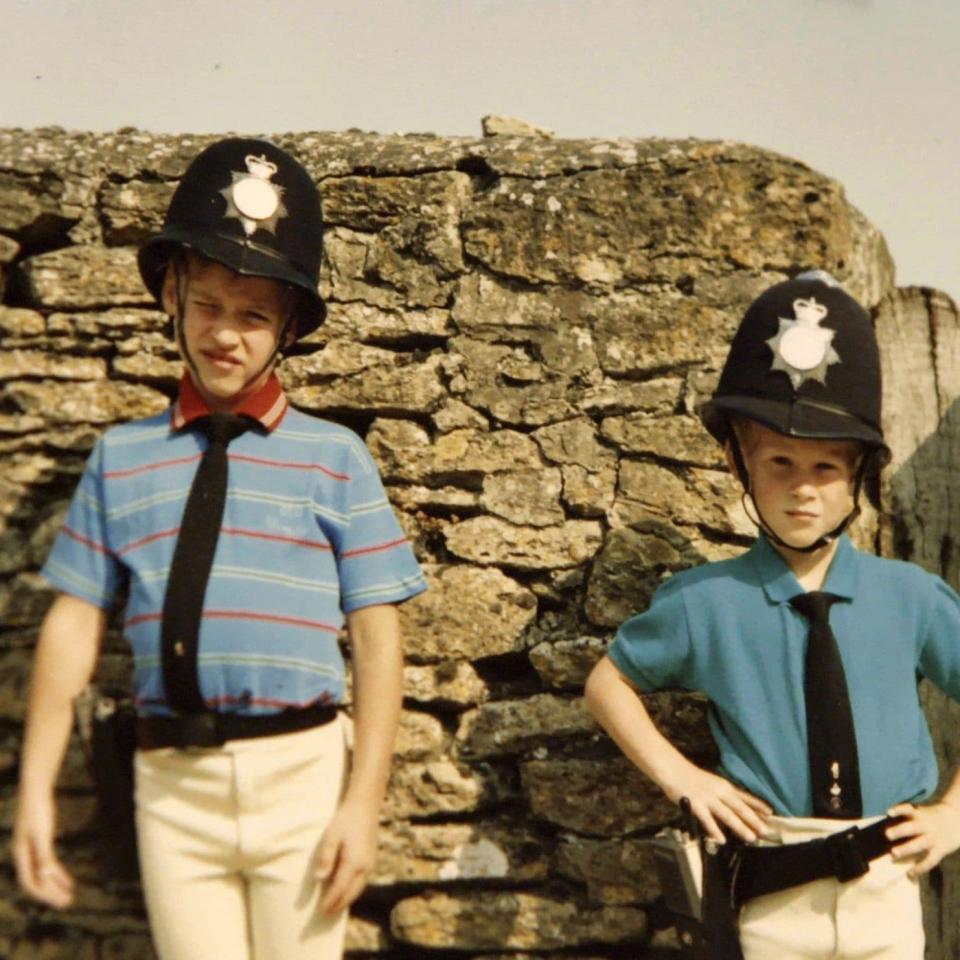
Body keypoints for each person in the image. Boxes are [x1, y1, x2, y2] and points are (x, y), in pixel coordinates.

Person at [12, 137, 426, 960]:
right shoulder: (123, 458)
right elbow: (72, 625)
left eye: (254, 315)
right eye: (207, 304)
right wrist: (34, 792)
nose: (225, 334)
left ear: (289, 328)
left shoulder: (333, 457)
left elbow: (378, 639)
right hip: (172, 786)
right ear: (171, 294)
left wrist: (361, 805)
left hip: (301, 778)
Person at [585, 272, 960, 959]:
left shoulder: (912, 597)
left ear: (860, 476)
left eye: (825, 467)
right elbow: (607, 684)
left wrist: (954, 813)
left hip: (887, 888)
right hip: (770, 891)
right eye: (780, 461)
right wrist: (684, 779)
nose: (802, 489)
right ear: (739, 463)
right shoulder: (704, 602)